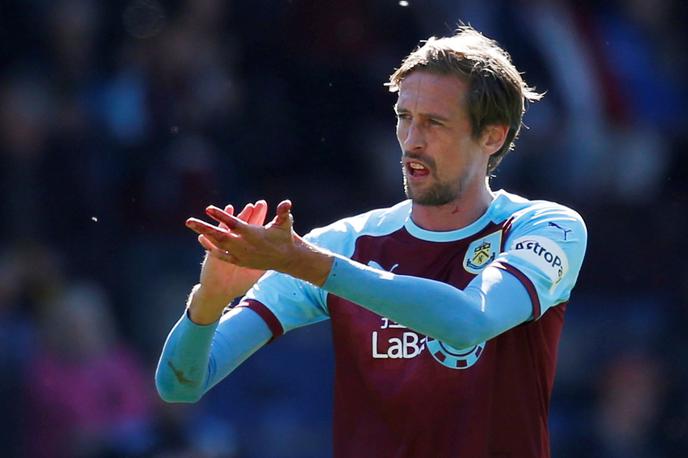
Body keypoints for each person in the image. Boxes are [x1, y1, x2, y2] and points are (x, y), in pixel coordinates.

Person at [156, 25, 587, 458]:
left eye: (434, 123)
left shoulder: (543, 227)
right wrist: (210, 299)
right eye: (404, 118)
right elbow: (180, 385)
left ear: (492, 134)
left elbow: (468, 322)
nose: (412, 141)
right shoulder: (343, 243)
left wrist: (312, 266)